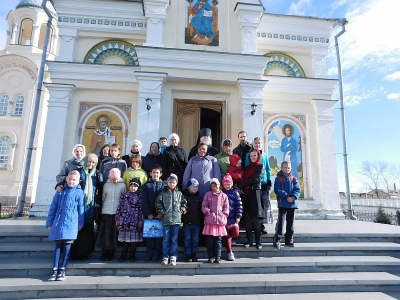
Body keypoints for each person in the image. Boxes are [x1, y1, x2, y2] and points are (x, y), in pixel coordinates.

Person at [46, 170, 85, 281]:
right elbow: (53, 208)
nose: (71, 181)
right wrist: (50, 222)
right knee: (58, 247)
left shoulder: (79, 193)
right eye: (70, 179)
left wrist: (80, 223)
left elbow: (81, 209)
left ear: (78, 181)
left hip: (71, 222)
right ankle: (54, 270)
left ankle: (62, 269)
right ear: (66, 179)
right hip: (58, 222)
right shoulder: (60, 191)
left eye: (74, 180)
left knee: (67, 247)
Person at [70, 153, 102, 261]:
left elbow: (99, 190)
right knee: (77, 229)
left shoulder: (97, 174)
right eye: (89, 161)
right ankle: (74, 253)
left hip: (90, 206)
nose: (91, 164)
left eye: (93, 162)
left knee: (88, 230)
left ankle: (84, 253)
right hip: (79, 205)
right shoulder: (80, 173)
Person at [156, 173, 187, 266]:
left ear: (176, 183)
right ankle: (165, 256)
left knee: (174, 239)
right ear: (167, 182)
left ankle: (173, 255)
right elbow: (158, 203)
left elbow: (184, 203)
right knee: (166, 239)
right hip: (166, 220)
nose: (171, 184)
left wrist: (181, 211)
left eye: (173, 182)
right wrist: (163, 212)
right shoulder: (163, 193)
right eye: (170, 182)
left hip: (177, 220)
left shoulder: (179, 193)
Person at [96, 168, 126, 261]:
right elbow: (103, 198)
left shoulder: (122, 186)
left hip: (117, 212)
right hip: (106, 211)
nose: (115, 181)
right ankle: (104, 252)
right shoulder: (106, 185)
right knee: (105, 234)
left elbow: (124, 199)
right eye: (113, 179)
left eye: (116, 179)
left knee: (113, 234)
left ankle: (111, 253)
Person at [237, 149, 265, 249]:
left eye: (255, 155)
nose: (253, 157)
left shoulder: (260, 166)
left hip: (255, 193)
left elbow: (255, 179)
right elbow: (244, 178)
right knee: (247, 218)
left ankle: (258, 241)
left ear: (258, 156)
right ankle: (249, 240)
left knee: (255, 218)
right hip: (246, 194)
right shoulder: (247, 168)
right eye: (251, 156)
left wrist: (241, 184)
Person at [245, 137, 272, 233]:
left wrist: (269, 180)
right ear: (253, 144)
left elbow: (268, 169)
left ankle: (261, 225)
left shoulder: (264, 155)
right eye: (255, 143)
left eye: (259, 143)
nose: (257, 145)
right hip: (254, 184)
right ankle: (254, 225)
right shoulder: (249, 155)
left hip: (263, 183)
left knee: (263, 205)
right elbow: (248, 168)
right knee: (255, 206)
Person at [273, 161, 300, 250]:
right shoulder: (279, 178)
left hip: (292, 204)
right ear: (281, 168)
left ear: (290, 168)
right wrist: (286, 196)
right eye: (285, 167)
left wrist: (293, 197)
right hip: (283, 203)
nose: (287, 169)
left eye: (288, 167)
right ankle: (277, 239)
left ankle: (289, 239)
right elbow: (277, 189)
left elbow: (297, 189)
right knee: (281, 221)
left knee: (290, 222)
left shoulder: (294, 179)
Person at [115, 178, 144, 262]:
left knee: (134, 240)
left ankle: (132, 255)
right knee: (124, 240)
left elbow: (141, 209)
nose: (133, 188)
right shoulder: (124, 195)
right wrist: (117, 218)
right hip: (124, 220)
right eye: (131, 185)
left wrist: (140, 220)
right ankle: (123, 254)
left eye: (135, 186)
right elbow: (119, 207)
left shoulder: (140, 196)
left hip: (134, 220)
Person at [142, 164, 166, 262]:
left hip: (160, 215)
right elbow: (145, 200)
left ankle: (157, 254)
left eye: (157, 173)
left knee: (159, 236)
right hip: (150, 216)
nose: (155, 174)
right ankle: (149, 253)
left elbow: (166, 200)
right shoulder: (147, 185)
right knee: (150, 235)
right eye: (153, 173)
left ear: (160, 174)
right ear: (150, 173)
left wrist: (162, 213)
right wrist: (148, 213)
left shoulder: (164, 185)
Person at [202, 178, 229, 264]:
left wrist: (224, 214)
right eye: (212, 186)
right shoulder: (208, 195)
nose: (214, 188)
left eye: (216, 186)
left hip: (220, 221)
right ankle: (210, 257)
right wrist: (207, 212)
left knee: (218, 241)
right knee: (210, 241)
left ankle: (218, 256)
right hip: (210, 221)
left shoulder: (224, 196)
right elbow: (204, 205)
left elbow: (226, 207)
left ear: (219, 185)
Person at [221, 173, 242, 261]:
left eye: (228, 184)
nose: (227, 186)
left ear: (231, 184)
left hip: (233, 217)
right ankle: (230, 252)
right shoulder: (221, 193)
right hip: (225, 218)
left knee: (236, 233)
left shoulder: (235, 193)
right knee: (228, 236)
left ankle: (228, 240)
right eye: (225, 184)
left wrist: (238, 216)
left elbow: (239, 205)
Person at [182, 178, 202, 262]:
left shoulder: (199, 197)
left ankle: (194, 254)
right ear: (189, 187)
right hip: (187, 222)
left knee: (195, 239)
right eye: (193, 186)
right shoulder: (184, 196)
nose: (195, 188)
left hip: (197, 222)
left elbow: (201, 209)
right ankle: (188, 254)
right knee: (187, 239)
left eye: (197, 186)